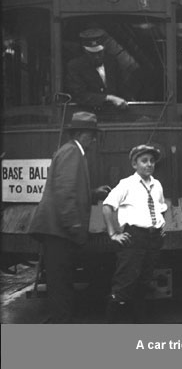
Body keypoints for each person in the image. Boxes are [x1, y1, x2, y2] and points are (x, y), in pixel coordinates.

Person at [27, 111, 112, 323]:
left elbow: (69, 189)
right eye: (92, 135)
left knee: (61, 283)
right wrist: (75, 229)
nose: (94, 140)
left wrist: (93, 193)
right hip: (59, 232)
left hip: (55, 230)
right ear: (82, 134)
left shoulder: (71, 151)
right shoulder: (73, 153)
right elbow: (65, 194)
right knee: (61, 286)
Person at [102, 144, 167, 323]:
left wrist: (161, 226)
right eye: (144, 161)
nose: (149, 164)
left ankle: (139, 324)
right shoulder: (126, 184)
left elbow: (161, 207)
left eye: (152, 161)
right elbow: (107, 207)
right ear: (134, 164)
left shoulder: (157, 185)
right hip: (134, 238)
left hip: (153, 239)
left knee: (144, 283)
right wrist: (113, 233)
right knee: (125, 283)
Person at [65, 28, 128, 108]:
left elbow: (122, 88)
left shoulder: (112, 62)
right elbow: (79, 95)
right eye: (92, 54)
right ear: (84, 50)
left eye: (99, 53)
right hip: (88, 114)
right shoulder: (75, 66)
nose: (97, 57)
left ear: (104, 48)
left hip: (115, 114)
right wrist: (109, 98)